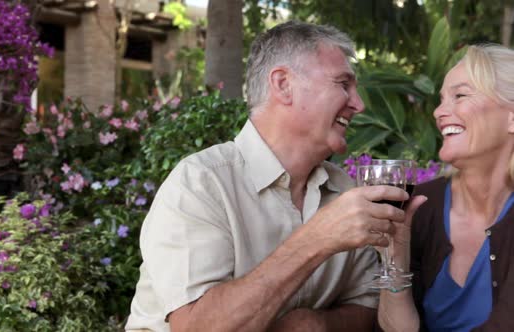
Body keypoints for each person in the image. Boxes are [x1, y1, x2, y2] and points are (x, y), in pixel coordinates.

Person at [126, 21, 413, 332]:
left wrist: (318, 324)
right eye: (343, 84)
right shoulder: (200, 184)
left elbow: (367, 307)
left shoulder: (345, 191)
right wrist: (316, 240)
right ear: (283, 84)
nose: (359, 104)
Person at [378, 44, 514, 331]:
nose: (439, 112)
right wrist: (396, 254)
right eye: (441, 100)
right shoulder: (421, 205)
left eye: (460, 95)